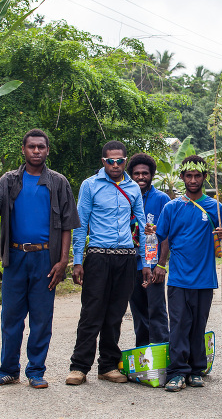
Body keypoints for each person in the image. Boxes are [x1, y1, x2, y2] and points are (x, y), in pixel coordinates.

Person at [0, 128, 80, 389]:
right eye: (32, 147)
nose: (37, 151)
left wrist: (63, 261)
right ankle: (8, 370)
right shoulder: (9, 180)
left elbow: (67, 225)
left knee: (41, 319)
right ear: (24, 150)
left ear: (47, 150)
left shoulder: (58, 183)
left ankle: (36, 371)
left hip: (45, 259)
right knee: (11, 317)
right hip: (15, 257)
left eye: (41, 147)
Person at [66, 141, 151, 386]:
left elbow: (143, 228)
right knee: (91, 312)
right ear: (103, 161)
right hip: (98, 256)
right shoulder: (90, 185)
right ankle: (79, 367)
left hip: (125, 257)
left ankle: (108, 365)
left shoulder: (133, 188)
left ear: (126, 161)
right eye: (110, 161)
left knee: (115, 314)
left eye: (120, 161)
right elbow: (81, 225)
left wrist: (146, 261)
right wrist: (78, 260)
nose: (115, 165)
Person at [156, 155, 222, 392]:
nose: (192, 180)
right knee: (179, 323)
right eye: (188, 176)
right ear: (182, 177)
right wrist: (159, 264)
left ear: (204, 177)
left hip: (204, 278)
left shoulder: (215, 207)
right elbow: (160, 237)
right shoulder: (172, 207)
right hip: (179, 277)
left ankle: (197, 369)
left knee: (198, 324)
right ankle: (178, 371)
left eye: (197, 176)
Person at [127, 153, 171, 346]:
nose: (141, 177)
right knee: (138, 311)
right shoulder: (125, 196)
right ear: (131, 175)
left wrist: (161, 264)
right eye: (136, 173)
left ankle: (163, 352)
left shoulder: (161, 199)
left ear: (152, 175)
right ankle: (143, 355)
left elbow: (167, 234)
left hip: (153, 264)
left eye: (145, 173)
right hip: (131, 263)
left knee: (156, 309)